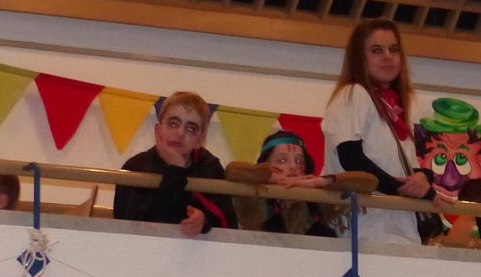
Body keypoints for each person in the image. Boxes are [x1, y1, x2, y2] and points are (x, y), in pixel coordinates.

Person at [321, 18, 436, 244]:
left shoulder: (394, 108)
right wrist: (403, 189)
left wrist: (424, 177)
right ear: (359, 58)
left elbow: (409, 169)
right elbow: (351, 158)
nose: (387, 56)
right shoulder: (354, 93)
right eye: (377, 50)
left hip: (398, 229)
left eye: (394, 49)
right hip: (365, 229)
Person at [113, 91, 236, 237]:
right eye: (173, 124)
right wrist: (176, 170)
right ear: (158, 130)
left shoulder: (208, 167)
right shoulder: (137, 167)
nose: (180, 133)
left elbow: (228, 223)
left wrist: (204, 219)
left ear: (200, 140)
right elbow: (142, 226)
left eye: (191, 128)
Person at [226, 130, 373, 237]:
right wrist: (274, 178)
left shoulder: (317, 198)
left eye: (299, 162)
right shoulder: (255, 194)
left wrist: (318, 182)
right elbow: (232, 170)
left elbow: (368, 181)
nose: (293, 167)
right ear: (266, 164)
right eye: (282, 160)